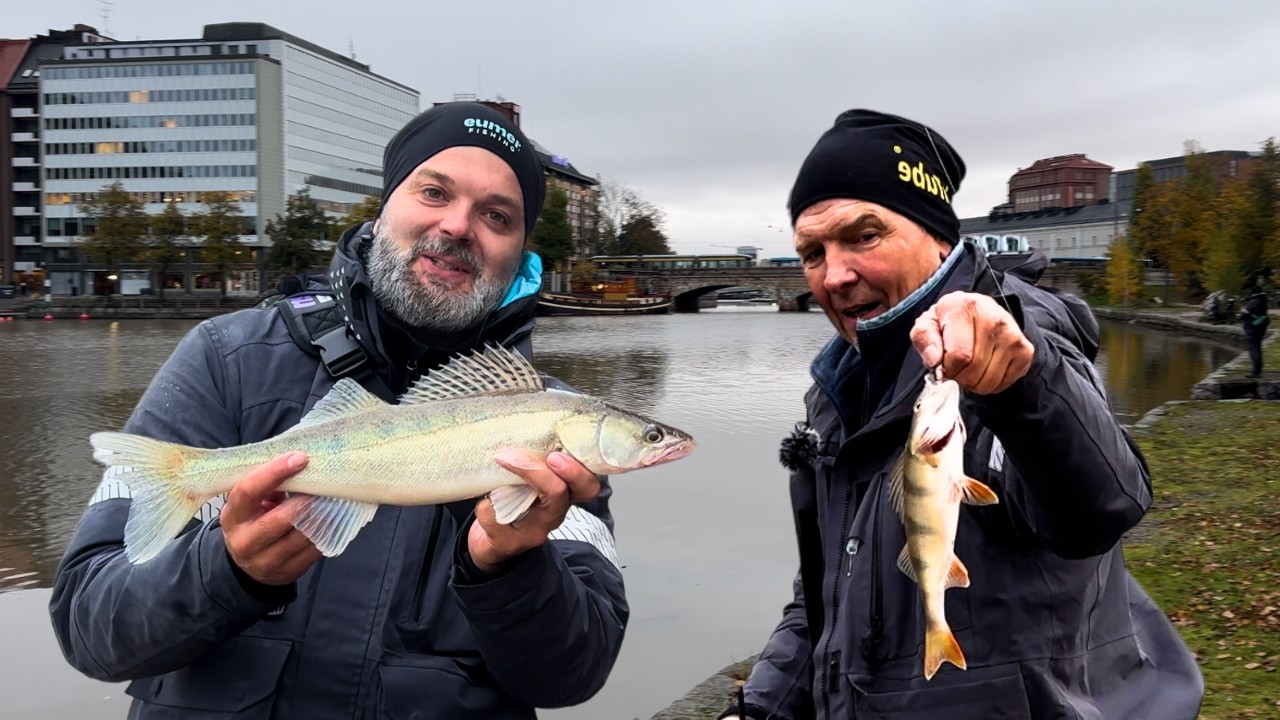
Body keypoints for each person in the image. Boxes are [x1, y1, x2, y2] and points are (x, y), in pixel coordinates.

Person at [49, 102, 628, 719]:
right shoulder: (226, 358)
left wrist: (509, 569)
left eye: (497, 216)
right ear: (383, 211)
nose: (459, 226)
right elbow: (90, 630)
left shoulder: (555, 426)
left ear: (519, 253)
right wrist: (228, 571)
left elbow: (574, 676)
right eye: (434, 192)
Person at [721, 110, 1203, 719]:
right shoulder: (839, 393)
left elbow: (1097, 513)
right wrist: (758, 709)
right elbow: (827, 595)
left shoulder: (1013, 348)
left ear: (941, 241)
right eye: (812, 252)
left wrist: (1023, 386)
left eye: (863, 236)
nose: (835, 275)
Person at [1241, 279, 1270, 377]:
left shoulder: (1253, 302)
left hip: (1252, 328)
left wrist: (1241, 314)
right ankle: (1258, 370)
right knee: (1258, 347)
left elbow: (1244, 315)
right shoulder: (1263, 300)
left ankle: (1255, 371)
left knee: (1254, 349)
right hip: (1260, 327)